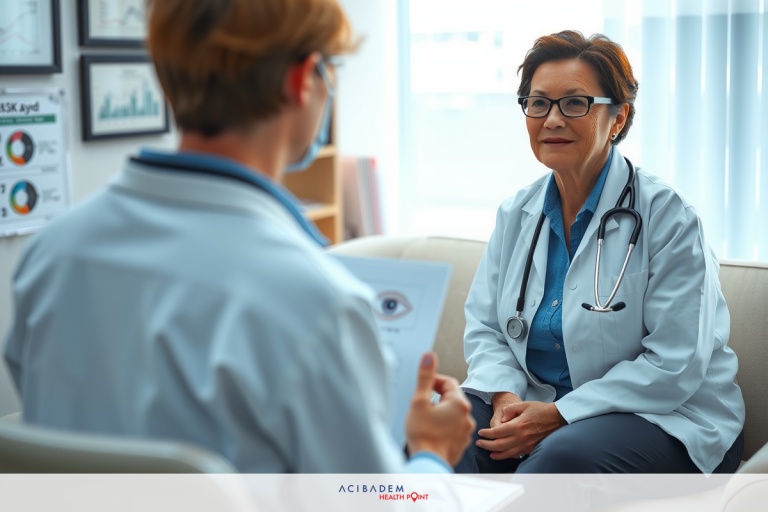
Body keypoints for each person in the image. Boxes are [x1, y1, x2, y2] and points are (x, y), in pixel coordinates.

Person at [3, 0, 474, 473]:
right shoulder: (318, 301)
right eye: (330, 71)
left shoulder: (50, 253)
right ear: (303, 78)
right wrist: (432, 453)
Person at [456, 30, 744, 474]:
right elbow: (487, 328)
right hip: (539, 405)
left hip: (665, 415)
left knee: (560, 461)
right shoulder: (516, 213)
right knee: (441, 430)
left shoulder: (668, 216)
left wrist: (558, 416)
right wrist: (505, 397)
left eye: (575, 103)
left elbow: (676, 362)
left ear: (617, 118)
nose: (551, 119)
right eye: (538, 103)